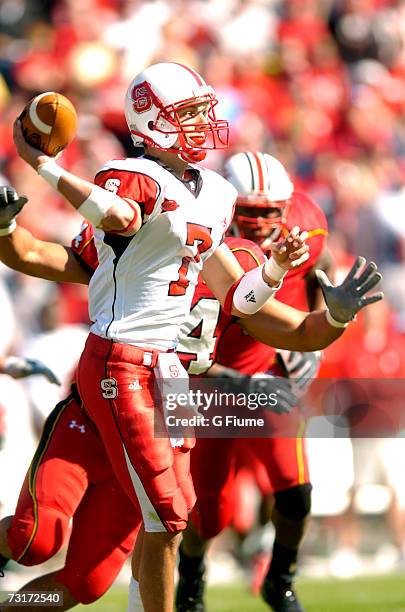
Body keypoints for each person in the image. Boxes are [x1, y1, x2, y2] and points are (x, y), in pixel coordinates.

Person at [0, 170, 381, 612]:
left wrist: (334, 320)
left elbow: (292, 328)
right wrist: (7, 230)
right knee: (35, 538)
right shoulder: (137, 241)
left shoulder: (235, 263)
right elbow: (35, 255)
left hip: (161, 419)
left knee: (87, 582)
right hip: (102, 408)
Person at [11, 61, 314, 612]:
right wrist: (42, 165)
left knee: (114, 562)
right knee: (53, 537)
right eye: (190, 114)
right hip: (122, 362)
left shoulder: (217, 194)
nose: (203, 123)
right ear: (153, 120)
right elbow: (118, 215)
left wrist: (273, 272)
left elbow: (239, 299)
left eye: (203, 112)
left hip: (171, 371)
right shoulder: (131, 174)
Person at [172, 151, 349, 612]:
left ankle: (282, 579)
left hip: (269, 372)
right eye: (249, 212)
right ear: (230, 205)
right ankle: (191, 578)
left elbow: (320, 264)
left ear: (287, 206)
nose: (260, 222)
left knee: (296, 492)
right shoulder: (201, 235)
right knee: (210, 512)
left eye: (271, 212)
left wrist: (317, 333)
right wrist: (226, 377)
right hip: (205, 381)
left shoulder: (306, 221)